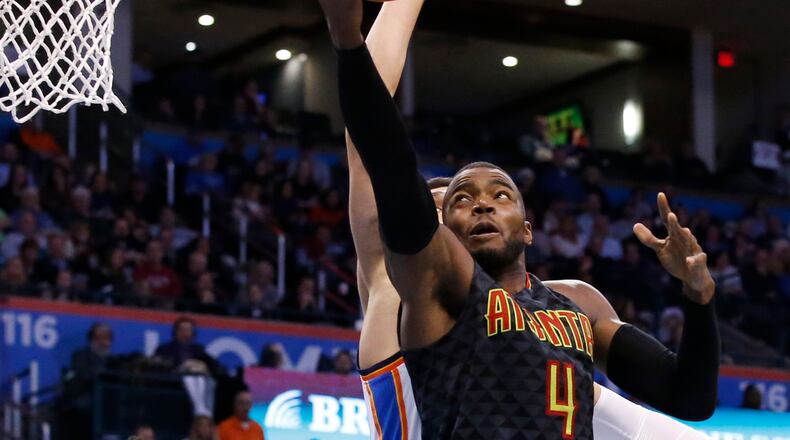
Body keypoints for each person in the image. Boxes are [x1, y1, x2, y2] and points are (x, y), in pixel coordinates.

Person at [321, 0, 719, 438]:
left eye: (499, 194)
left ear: (528, 228)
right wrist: (350, 39)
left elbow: (690, 397)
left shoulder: (574, 304)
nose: (481, 205)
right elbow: (378, 151)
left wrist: (698, 297)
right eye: (454, 201)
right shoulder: (422, 282)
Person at [154, 317, 218, 375]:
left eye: (188, 330)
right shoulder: (165, 349)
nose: (185, 333)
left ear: (193, 333)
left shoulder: (198, 349)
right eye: (182, 330)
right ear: (175, 332)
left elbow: (213, 365)